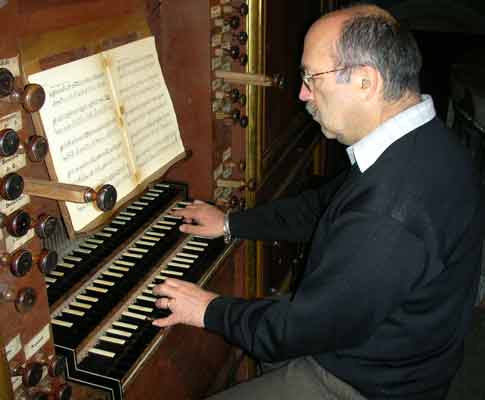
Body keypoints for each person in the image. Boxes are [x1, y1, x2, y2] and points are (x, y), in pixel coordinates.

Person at [152, 4, 483, 399]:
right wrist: (230, 223)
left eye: (312, 77)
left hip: (369, 383)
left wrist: (208, 309)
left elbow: (298, 330)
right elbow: (323, 207)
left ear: (365, 82)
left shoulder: (389, 212)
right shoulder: (421, 139)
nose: (302, 93)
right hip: (392, 342)